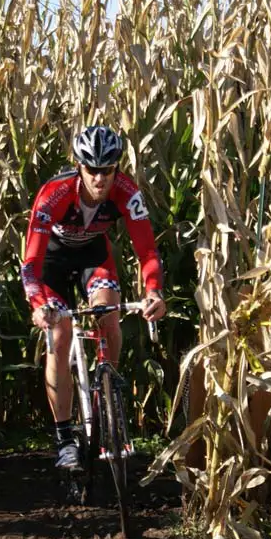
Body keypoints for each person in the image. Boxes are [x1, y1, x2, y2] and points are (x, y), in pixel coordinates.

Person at [20, 125, 166, 469]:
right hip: (52, 264)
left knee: (108, 314)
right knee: (59, 334)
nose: (100, 179)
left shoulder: (127, 193)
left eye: (108, 170)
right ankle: (64, 437)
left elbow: (146, 250)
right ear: (79, 166)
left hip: (93, 258)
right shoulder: (53, 195)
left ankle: (107, 398)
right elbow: (30, 264)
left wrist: (153, 290)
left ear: (117, 168)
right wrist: (39, 305)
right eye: (92, 170)